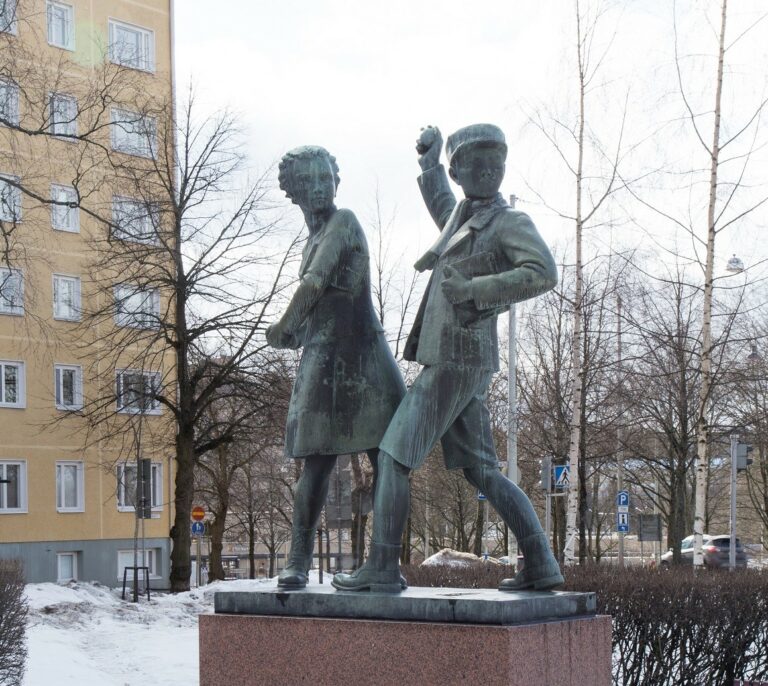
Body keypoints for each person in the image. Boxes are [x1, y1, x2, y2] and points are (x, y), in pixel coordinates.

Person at [333, 124, 563, 593]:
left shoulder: (508, 222)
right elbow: (444, 207)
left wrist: (475, 289)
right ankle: (540, 561)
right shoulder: (464, 217)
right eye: (476, 164)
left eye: (496, 163)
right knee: (483, 471)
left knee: (393, 456)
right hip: (458, 358)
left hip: (458, 358)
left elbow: (542, 272)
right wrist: (429, 165)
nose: (488, 172)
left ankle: (382, 567)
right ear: (458, 173)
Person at [266, 145, 406, 589]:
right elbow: (320, 305)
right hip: (325, 359)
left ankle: (383, 562)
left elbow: (314, 284)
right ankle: (297, 561)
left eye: (325, 178)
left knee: (387, 461)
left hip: (365, 360)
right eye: (309, 181)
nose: (320, 187)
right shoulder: (312, 239)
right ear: (294, 191)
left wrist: (283, 327)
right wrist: (297, 333)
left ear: (336, 182)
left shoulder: (343, 221)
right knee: (316, 464)